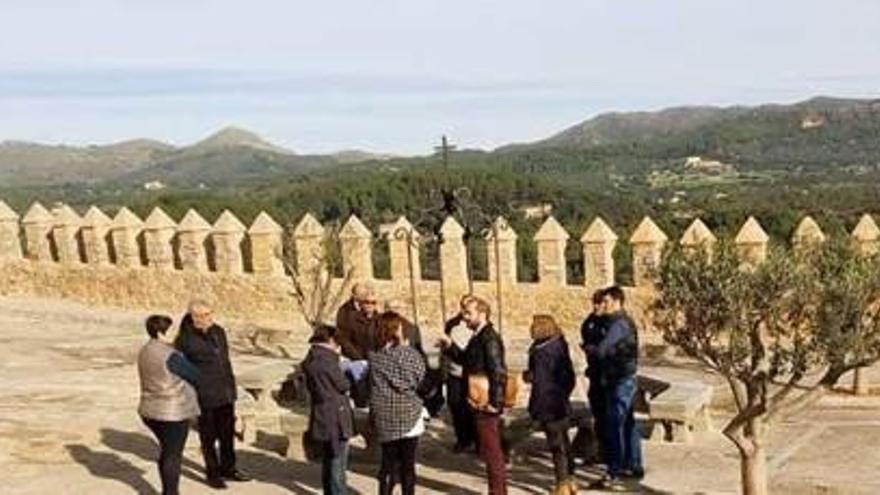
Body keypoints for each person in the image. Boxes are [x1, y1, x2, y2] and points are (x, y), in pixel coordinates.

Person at [175, 300, 250, 489]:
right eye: (205, 315)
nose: (209, 318)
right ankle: (213, 473)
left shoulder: (218, 331)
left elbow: (224, 359)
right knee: (208, 437)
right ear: (195, 317)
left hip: (225, 391)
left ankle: (229, 468)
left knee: (227, 434)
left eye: (210, 313)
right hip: (205, 395)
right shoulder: (186, 340)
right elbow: (180, 368)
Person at [438, 296, 508, 495]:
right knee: (488, 449)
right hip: (478, 398)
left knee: (492, 450)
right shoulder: (478, 336)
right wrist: (449, 345)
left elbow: (498, 372)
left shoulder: (489, 338)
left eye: (469, 313)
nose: (464, 317)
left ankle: (497, 492)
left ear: (482, 314)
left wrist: (495, 402)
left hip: (485, 400)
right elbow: (466, 360)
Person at [138, 315, 201, 495]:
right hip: (172, 413)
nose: (176, 334)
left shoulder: (145, 350)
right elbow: (195, 375)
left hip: (149, 410)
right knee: (173, 455)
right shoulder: (171, 355)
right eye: (171, 330)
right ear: (160, 332)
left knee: (167, 451)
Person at [369, 311, 427, 495]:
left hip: (384, 413)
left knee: (387, 463)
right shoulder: (408, 354)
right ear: (396, 329)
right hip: (407, 412)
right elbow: (421, 379)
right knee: (407, 465)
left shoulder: (374, 355)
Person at [595, 286, 643, 491]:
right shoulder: (623, 322)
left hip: (620, 380)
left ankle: (614, 471)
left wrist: (592, 349)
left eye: (606, 302)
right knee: (629, 423)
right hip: (625, 377)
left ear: (616, 302)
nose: (602, 305)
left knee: (614, 425)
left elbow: (602, 349)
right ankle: (633, 464)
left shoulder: (619, 325)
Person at [525, 315, 577, 495]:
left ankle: (562, 484)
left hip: (547, 404)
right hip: (560, 402)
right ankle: (570, 479)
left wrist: (528, 377)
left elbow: (539, 381)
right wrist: (563, 394)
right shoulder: (560, 344)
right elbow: (570, 377)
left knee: (556, 446)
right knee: (564, 442)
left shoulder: (541, 352)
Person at [302, 324, 354, 495]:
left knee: (329, 459)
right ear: (331, 340)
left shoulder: (310, 359)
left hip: (322, 413)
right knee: (338, 461)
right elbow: (343, 385)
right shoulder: (327, 361)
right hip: (336, 415)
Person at [442, 294, 478, 452]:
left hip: (471, 374)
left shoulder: (478, 325)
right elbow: (446, 349)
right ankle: (462, 440)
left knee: (473, 408)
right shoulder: (452, 324)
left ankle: (476, 440)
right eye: (464, 306)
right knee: (456, 407)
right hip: (454, 373)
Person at [579, 289, 609, 464]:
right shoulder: (589, 322)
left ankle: (611, 452)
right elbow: (586, 337)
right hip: (595, 374)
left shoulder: (611, 323)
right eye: (595, 302)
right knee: (598, 414)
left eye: (600, 302)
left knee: (610, 415)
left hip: (608, 375)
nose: (597, 306)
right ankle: (600, 451)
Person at [335, 282, 380, 360]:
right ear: (354, 295)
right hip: (354, 357)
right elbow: (343, 337)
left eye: (373, 303)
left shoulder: (371, 313)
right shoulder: (345, 311)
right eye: (362, 294)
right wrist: (357, 357)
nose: (365, 295)